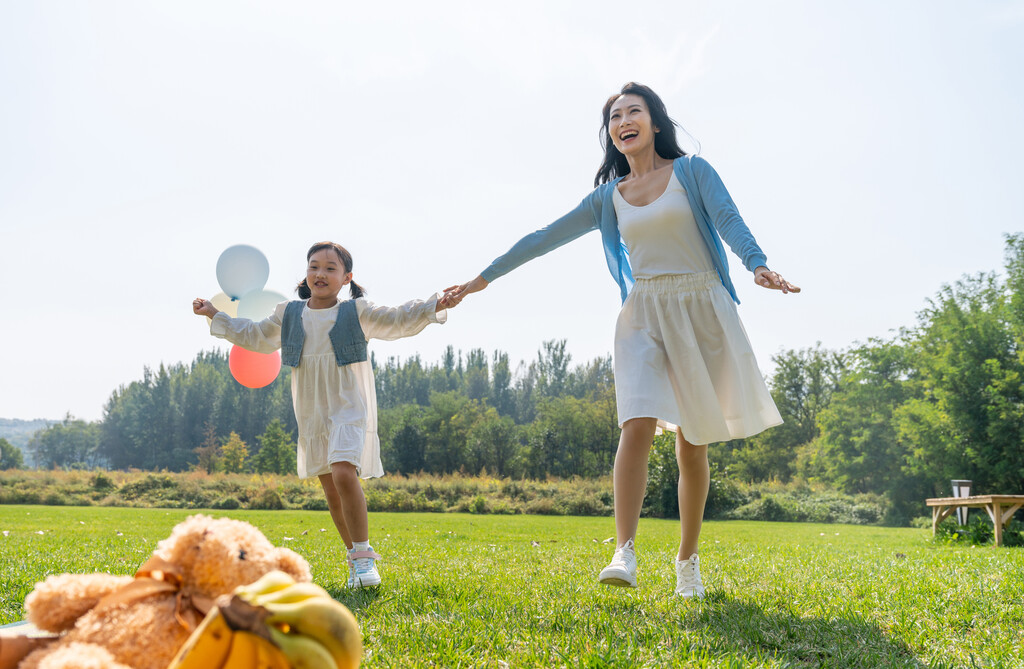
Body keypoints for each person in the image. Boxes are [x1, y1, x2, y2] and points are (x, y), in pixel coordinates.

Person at [451, 83, 799, 598]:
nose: (623, 121)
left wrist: (758, 264)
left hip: (701, 307)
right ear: (611, 134)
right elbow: (543, 238)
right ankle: (625, 551)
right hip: (644, 311)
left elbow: (728, 219)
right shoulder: (607, 198)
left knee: (692, 443)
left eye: (633, 111)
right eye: (615, 116)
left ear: (655, 123)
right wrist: (483, 279)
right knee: (635, 420)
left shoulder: (691, 172)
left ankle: (687, 560)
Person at [192, 241, 461, 588]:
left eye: (330, 268)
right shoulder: (288, 313)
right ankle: (354, 558)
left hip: (348, 404)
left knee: (344, 472)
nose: (320, 274)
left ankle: (364, 558)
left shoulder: (356, 312)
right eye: (314, 266)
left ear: (346, 277)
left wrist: (434, 304)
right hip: (311, 407)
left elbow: (397, 319)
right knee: (331, 487)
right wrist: (216, 315)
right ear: (306, 273)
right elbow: (256, 336)